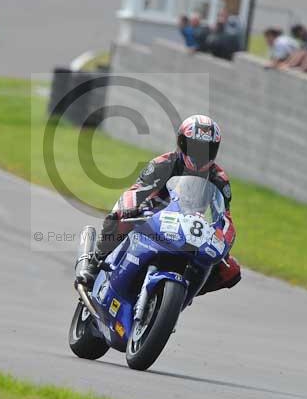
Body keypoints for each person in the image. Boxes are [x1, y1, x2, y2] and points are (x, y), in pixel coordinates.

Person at [75, 114, 241, 294]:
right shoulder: (164, 163)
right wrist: (129, 208)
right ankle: (95, 262)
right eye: (195, 146)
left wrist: (224, 237)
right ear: (182, 143)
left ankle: (181, 294)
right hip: (153, 217)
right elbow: (137, 190)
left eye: (206, 148)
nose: (200, 153)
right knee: (119, 217)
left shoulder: (219, 179)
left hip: (190, 229)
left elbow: (224, 217)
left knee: (231, 271)